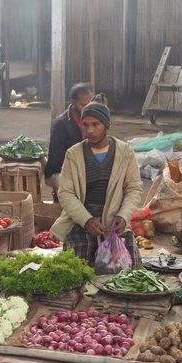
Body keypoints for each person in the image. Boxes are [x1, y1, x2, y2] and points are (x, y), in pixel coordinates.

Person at [50, 99, 143, 266]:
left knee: (132, 269)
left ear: (107, 125)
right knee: (77, 267)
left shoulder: (125, 152)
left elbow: (134, 188)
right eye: (86, 125)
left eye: (95, 124)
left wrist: (123, 216)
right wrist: (86, 220)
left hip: (114, 223)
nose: (90, 130)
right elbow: (65, 193)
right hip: (79, 222)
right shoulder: (74, 154)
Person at [44, 83, 94, 201]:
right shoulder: (61, 124)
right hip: (60, 172)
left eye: (90, 104)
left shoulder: (92, 120)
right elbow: (56, 160)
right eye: (83, 105)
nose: (87, 108)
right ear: (73, 102)